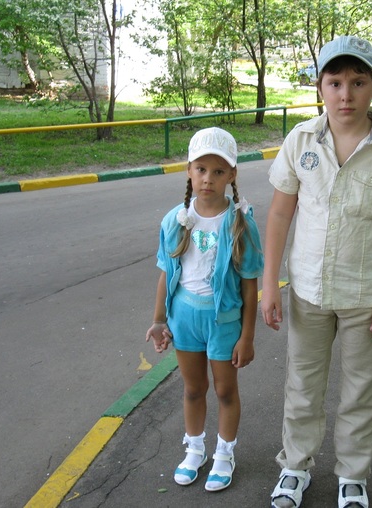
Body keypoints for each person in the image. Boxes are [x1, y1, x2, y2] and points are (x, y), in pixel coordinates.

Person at [260, 36, 372, 508]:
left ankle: (353, 476)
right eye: (334, 83)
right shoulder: (301, 141)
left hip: (366, 297)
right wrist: (270, 283)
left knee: (361, 391)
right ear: (319, 86)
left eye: (358, 82)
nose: (345, 95)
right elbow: (280, 213)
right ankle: (295, 467)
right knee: (302, 385)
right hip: (308, 292)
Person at [146, 127, 263, 492]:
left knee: (225, 390)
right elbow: (166, 273)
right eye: (200, 169)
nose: (208, 178)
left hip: (223, 321)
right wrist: (159, 320)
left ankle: (224, 454)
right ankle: (195, 449)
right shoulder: (175, 219)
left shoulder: (240, 223)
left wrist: (247, 337)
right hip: (184, 318)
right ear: (189, 171)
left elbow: (249, 284)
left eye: (218, 171)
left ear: (232, 175)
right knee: (193, 388)